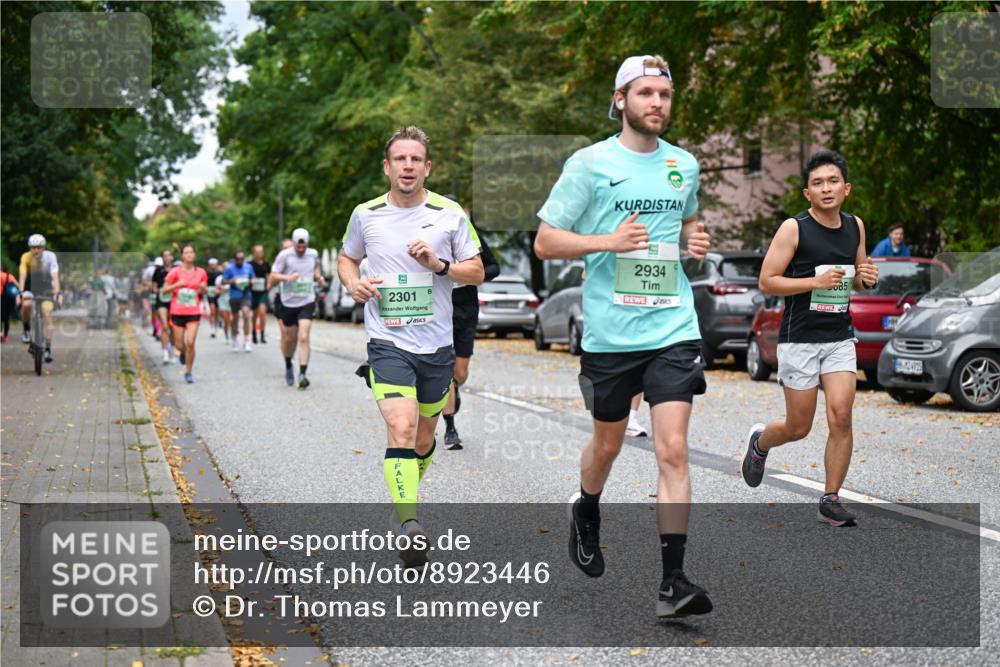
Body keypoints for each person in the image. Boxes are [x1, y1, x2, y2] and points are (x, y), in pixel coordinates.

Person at [534, 55, 714, 618]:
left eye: (664, 93)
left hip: (672, 327)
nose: (657, 103)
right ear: (620, 100)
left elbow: (686, 220)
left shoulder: (684, 163)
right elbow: (545, 242)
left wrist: (695, 238)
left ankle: (673, 582)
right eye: (645, 94)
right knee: (608, 445)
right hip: (612, 334)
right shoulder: (589, 165)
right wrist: (606, 242)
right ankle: (586, 507)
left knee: (674, 449)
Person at [338, 125, 484, 567]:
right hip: (387, 341)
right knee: (400, 428)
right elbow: (348, 258)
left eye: (415, 160)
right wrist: (354, 284)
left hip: (437, 345)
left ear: (427, 167)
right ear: (387, 167)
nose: (407, 166)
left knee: (422, 439)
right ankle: (409, 525)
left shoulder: (450, 213)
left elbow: (476, 271)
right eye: (399, 159)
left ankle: (406, 489)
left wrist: (438, 264)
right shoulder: (365, 214)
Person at [740, 150, 879, 527]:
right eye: (817, 183)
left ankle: (830, 498)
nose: (826, 188)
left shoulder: (855, 226)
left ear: (846, 188)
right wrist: (813, 282)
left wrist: (866, 277)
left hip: (838, 336)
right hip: (799, 337)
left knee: (842, 415)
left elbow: (857, 278)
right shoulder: (794, 228)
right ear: (807, 193)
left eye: (833, 181)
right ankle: (761, 442)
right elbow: (767, 281)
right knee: (798, 427)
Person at [440, 195, 500, 450]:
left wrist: (474, 275)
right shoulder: (433, 237)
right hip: (439, 312)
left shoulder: (470, 237)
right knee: (444, 371)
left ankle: (452, 390)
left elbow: (494, 266)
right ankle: (450, 429)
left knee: (459, 373)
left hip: (466, 311)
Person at [270, 229, 325, 388]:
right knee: (289, 339)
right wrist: (287, 277)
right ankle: (288, 363)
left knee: (303, 336)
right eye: (298, 247)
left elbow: (316, 269)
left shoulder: (313, 254)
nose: (301, 249)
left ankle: (302, 373)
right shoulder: (285, 255)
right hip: (288, 302)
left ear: (307, 244)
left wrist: (319, 277)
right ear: (294, 243)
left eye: (303, 246)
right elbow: (273, 275)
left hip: (307, 300)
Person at [161, 245, 208, 383]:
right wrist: (177, 285)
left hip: (193, 311)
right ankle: (182, 352)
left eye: (191, 252)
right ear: (182, 256)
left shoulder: (201, 272)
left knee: (191, 342)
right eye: (186, 253)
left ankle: (188, 371)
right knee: (180, 345)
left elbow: (203, 290)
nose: (189, 255)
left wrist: (203, 288)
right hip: (177, 311)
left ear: (195, 255)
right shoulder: (175, 272)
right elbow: (164, 290)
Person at [18, 234, 62, 361]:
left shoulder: (50, 257)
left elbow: (55, 276)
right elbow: (23, 275)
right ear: (29, 248)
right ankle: (26, 330)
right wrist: (20, 292)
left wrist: (57, 293)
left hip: (46, 288)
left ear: (44, 248)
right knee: (26, 305)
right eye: (33, 248)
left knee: (47, 315)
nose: (36, 250)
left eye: (39, 247)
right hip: (30, 287)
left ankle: (47, 349)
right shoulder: (25, 257)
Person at [223, 250, 255, 352]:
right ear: (234, 259)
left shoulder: (248, 267)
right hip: (234, 295)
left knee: (246, 314)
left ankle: (247, 341)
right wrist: (231, 281)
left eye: (242, 259)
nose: (240, 261)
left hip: (246, 294)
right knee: (235, 319)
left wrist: (252, 281)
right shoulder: (229, 268)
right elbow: (223, 281)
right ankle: (235, 339)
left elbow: (253, 277)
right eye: (238, 259)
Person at [152, 252, 174, 363]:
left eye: (168, 255)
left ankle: (172, 348)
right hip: (161, 300)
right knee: (165, 326)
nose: (167, 257)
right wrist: (159, 291)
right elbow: (154, 286)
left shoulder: (176, 270)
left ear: (172, 257)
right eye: (164, 256)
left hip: (174, 300)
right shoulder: (158, 271)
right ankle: (165, 352)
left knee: (173, 327)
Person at [250, 245, 271, 344]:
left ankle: (262, 335)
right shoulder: (250, 264)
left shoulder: (266, 264)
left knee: (262, 312)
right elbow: (247, 275)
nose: (258, 254)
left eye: (260, 252)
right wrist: (251, 280)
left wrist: (269, 284)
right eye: (256, 252)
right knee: (255, 314)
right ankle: (254, 333)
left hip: (263, 291)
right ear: (254, 253)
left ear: (263, 253)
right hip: (253, 292)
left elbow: (269, 275)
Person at [1, 263, 19, 344]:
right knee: (6, 319)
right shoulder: (9, 276)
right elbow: (17, 285)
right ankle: (5, 337)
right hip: (8, 300)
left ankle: (1, 334)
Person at [205, 258, 222, 338]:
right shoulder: (207, 273)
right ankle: (212, 328)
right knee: (212, 310)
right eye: (211, 264)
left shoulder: (220, 273)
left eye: (214, 264)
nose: (213, 266)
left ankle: (216, 323)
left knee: (217, 311)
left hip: (218, 293)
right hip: (210, 292)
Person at [216, 262, 233, 341]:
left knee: (232, 319)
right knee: (226, 320)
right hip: (223, 299)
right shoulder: (219, 278)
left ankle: (233, 335)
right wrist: (221, 289)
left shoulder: (234, 276)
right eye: (225, 267)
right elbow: (217, 291)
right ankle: (226, 335)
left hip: (232, 299)